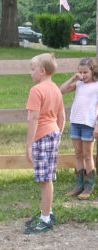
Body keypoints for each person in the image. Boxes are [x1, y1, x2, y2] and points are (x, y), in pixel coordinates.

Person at [24, 53, 65, 234]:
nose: (30, 73)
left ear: (42, 71)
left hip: (42, 136)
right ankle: (47, 212)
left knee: (45, 179)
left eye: (33, 69)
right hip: (53, 133)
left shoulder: (36, 90)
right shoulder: (56, 88)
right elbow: (62, 116)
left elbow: (33, 119)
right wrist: (58, 133)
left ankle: (46, 219)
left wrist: (29, 145)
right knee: (47, 177)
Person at [60, 58, 98, 199]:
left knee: (87, 155)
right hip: (76, 122)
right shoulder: (79, 84)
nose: (83, 75)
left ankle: (89, 187)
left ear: (92, 71)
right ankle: (79, 185)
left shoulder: (97, 86)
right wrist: (73, 78)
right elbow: (61, 90)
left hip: (89, 124)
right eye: (80, 72)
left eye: (85, 72)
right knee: (78, 154)